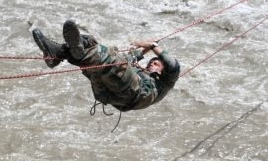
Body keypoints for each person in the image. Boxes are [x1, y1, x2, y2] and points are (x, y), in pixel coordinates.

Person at [31, 20, 180, 113]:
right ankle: (57, 54)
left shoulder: (165, 82)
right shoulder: (137, 71)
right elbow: (132, 57)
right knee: (90, 44)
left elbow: (172, 64)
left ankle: (69, 55)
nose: (152, 64)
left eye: (156, 64)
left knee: (110, 58)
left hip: (135, 94)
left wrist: (154, 46)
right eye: (151, 62)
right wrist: (144, 49)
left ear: (163, 71)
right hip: (108, 92)